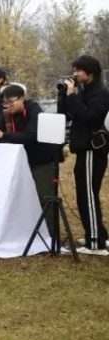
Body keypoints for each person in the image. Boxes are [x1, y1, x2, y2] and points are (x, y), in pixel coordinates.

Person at [57, 55, 109, 255]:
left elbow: (89, 117)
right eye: (74, 70)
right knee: (84, 194)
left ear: (91, 73)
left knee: (87, 195)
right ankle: (97, 235)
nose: (75, 74)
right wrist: (64, 96)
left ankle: (95, 243)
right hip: (83, 149)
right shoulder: (84, 92)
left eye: (79, 70)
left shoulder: (100, 93)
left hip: (92, 150)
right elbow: (66, 115)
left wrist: (73, 97)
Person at [0, 84, 61, 206]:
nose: (8, 106)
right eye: (5, 103)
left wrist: (3, 135)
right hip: (21, 162)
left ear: (21, 98)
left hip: (41, 161)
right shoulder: (7, 113)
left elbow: (30, 136)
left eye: (11, 102)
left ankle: (49, 218)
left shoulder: (34, 110)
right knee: (24, 199)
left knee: (44, 197)